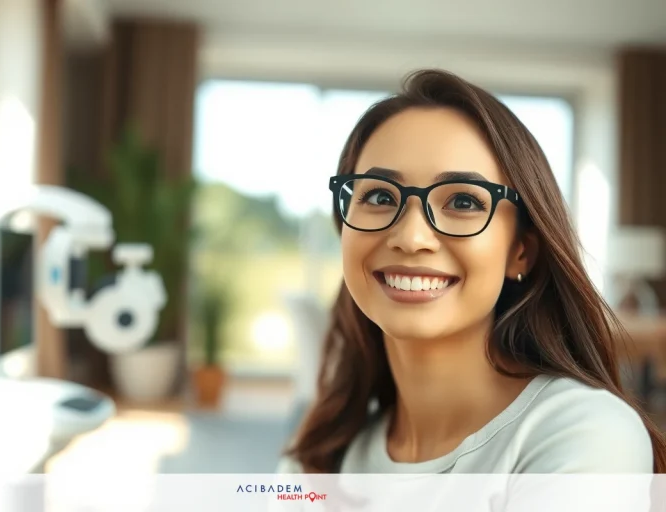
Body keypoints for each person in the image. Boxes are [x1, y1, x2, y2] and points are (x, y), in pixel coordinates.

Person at [278, 69, 666, 475]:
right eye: (378, 196)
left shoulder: (585, 434)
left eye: (463, 202)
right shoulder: (316, 458)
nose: (411, 237)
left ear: (521, 251)